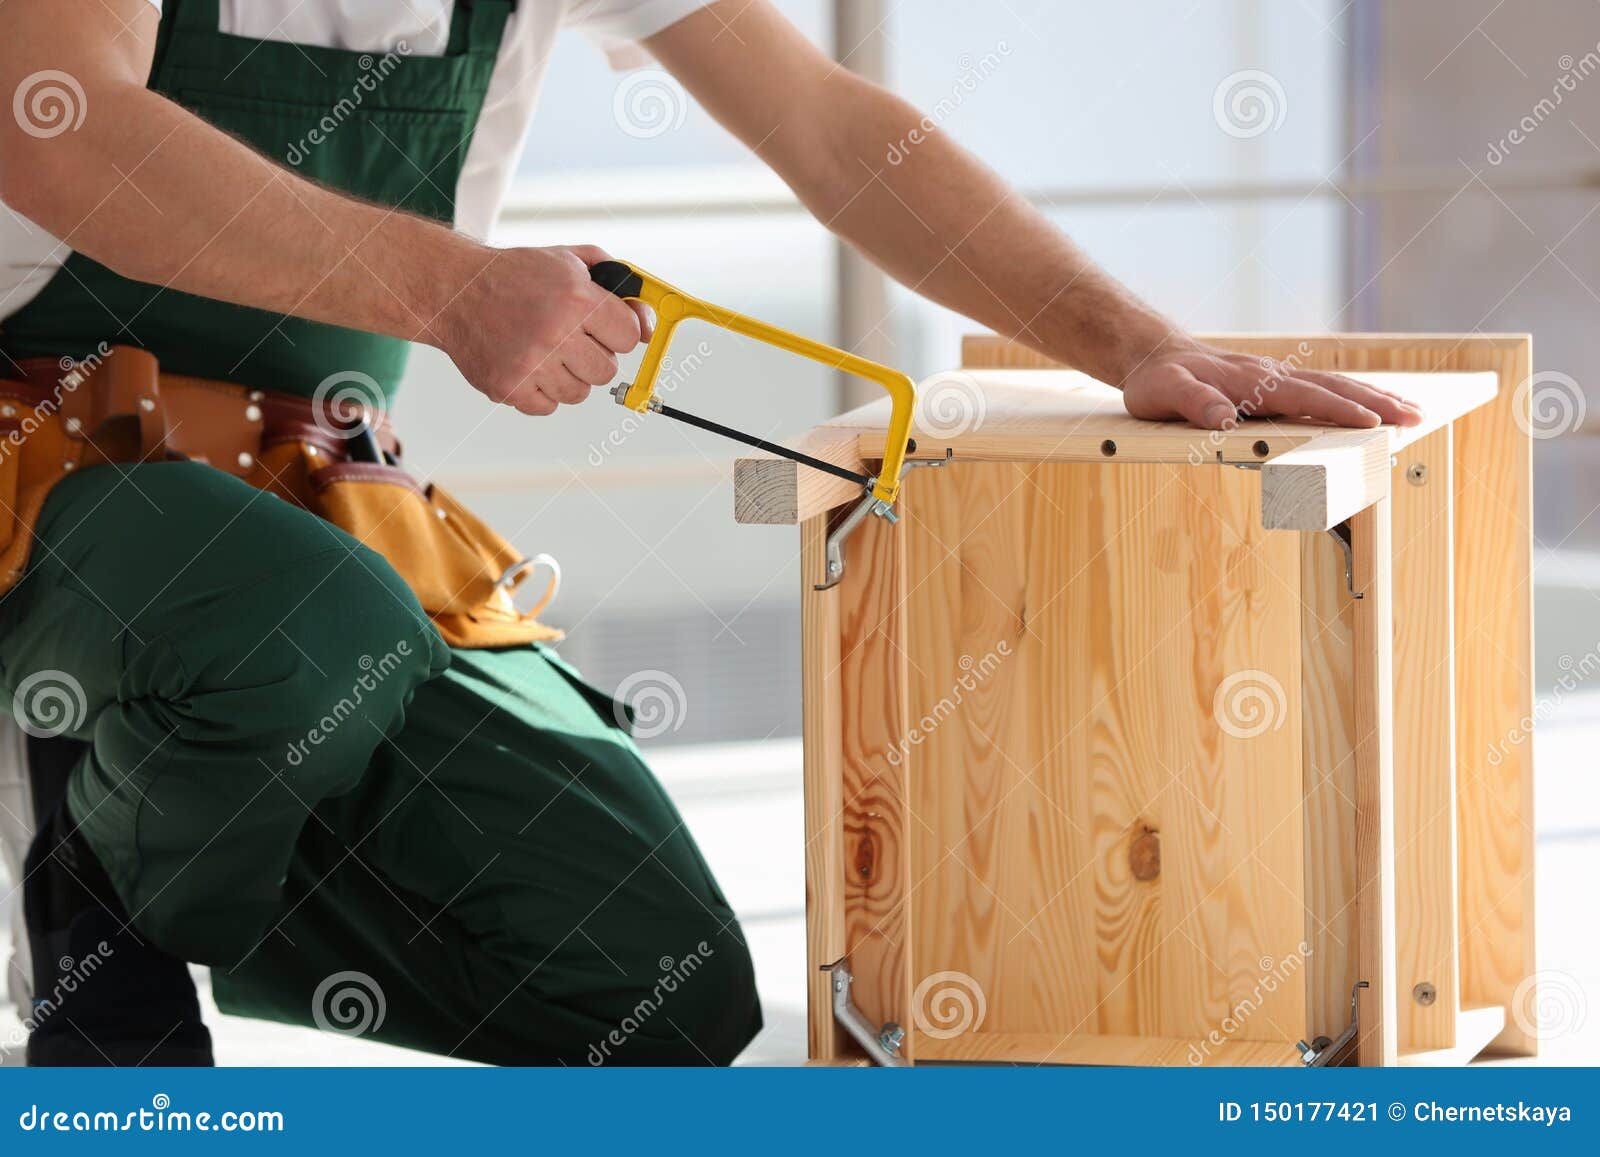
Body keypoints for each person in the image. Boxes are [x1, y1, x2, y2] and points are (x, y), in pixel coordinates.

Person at [0, 0, 1422, 1067]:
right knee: (300, 629)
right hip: (35, 456)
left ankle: (182, 793)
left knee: (653, 985)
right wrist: (448, 290)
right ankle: (93, 926)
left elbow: (831, 127)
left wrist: (1133, 340)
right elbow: (54, 120)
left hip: (301, 484)